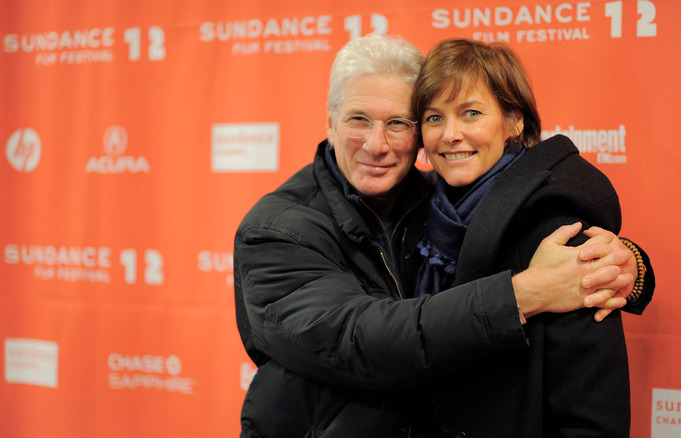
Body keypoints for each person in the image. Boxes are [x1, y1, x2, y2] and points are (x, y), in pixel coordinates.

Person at [233, 34, 652, 437]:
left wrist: (627, 264)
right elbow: (359, 340)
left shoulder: (455, 209)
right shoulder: (275, 230)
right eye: (358, 120)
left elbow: (592, 406)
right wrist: (523, 293)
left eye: (398, 123)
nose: (376, 144)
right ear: (330, 122)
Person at [410, 38, 654, 437]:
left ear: (514, 120)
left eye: (471, 113)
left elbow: (594, 414)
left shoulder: (557, 233)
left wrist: (635, 267)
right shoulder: (418, 218)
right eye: (434, 118)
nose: (450, 134)